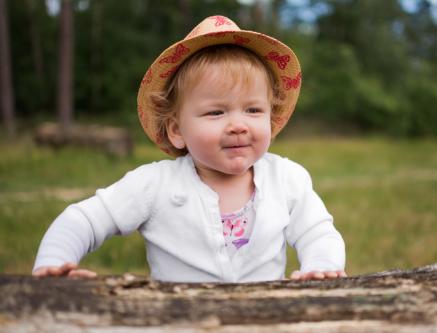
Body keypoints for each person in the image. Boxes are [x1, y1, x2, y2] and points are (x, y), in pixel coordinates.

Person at [32, 15, 346, 282]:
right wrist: (55, 262)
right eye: (216, 112)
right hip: (179, 319)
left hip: (264, 319)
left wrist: (321, 269)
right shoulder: (155, 185)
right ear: (177, 130)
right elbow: (84, 220)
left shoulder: (287, 179)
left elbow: (318, 234)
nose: (238, 124)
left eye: (253, 110)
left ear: (271, 116)